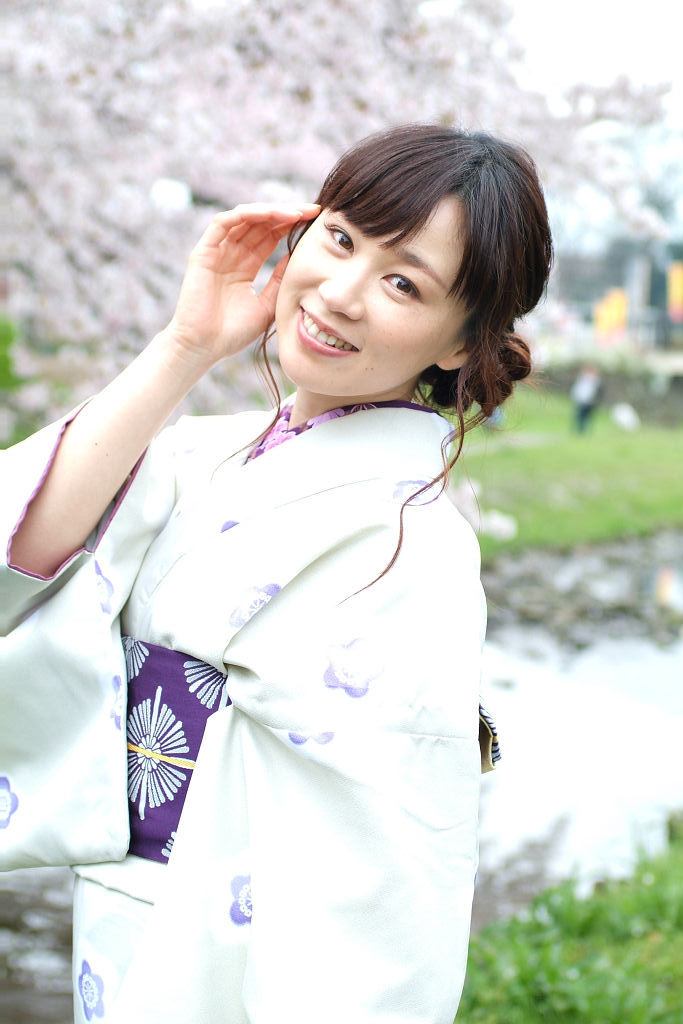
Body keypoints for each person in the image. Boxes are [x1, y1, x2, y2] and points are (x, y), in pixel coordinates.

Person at [1, 124, 552, 1023]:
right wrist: (187, 343)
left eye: (403, 283)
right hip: (119, 905)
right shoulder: (201, 453)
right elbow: (20, 560)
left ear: (461, 343)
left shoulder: (416, 542)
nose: (340, 293)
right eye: (339, 239)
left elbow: (384, 862)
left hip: (231, 947)